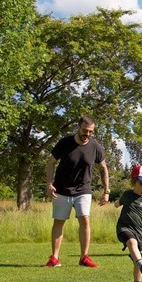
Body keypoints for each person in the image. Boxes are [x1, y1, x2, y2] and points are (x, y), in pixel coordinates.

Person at [44, 115, 109, 268]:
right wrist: (49, 183)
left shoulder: (95, 147)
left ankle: (84, 257)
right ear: (78, 128)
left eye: (91, 132)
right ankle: (54, 258)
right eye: (85, 131)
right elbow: (51, 162)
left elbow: (103, 168)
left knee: (85, 220)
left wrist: (106, 191)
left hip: (83, 190)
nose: (88, 134)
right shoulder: (65, 143)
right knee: (59, 222)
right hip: (62, 189)